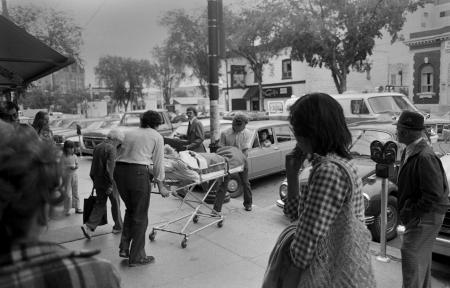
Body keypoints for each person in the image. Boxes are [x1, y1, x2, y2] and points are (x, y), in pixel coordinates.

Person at [265, 92, 375, 287]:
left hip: (325, 274)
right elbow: (295, 215)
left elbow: (302, 252)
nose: (295, 136)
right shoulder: (341, 163)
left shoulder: (328, 171)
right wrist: (292, 175)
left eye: (296, 129)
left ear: (309, 132)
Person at [0, 121, 121, 288]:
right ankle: (112, 225)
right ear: (45, 207)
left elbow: (94, 168)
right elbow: (109, 168)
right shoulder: (97, 274)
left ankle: (101, 226)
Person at [395, 111, 450, 288]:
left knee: (410, 254)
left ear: (407, 131)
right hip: (425, 215)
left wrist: (411, 213)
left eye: (399, 128)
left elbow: (434, 194)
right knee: (421, 257)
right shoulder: (411, 150)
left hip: (425, 217)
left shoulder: (425, 156)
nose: (396, 131)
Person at [114, 110, 171, 267]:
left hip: (119, 171)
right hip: (137, 174)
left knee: (131, 210)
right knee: (140, 216)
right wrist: (161, 185)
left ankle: (124, 248)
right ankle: (137, 256)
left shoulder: (129, 132)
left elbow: (120, 152)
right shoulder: (156, 136)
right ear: (157, 123)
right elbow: (158, 163)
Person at [81, 129, 125, 239]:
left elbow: (94, 166)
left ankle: (89, 227)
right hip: (109, 181)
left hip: (98, 180)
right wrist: (110, 184)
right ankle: (118, 226)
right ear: (115, 139)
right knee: (115, 203)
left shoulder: (98, 147)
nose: (118, 144)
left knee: (100, 204)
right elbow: (110, 168)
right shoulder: (111, 149)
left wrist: (94, 180)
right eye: (119, 142)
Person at [213, 113, 253, 212]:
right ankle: (216, 209)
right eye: (243, 126)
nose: (244, 128)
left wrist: (241, 162)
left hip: (242, 160)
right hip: (228, 161)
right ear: (235, 125)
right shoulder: (225, 133)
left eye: (245, 126)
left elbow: (245, 151)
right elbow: (221, 150)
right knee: (223, 185)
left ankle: (248, 204)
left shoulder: (247, 133)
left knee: (246, 183)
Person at [61, 140, 82, 215]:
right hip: (66, 176)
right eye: (70, 148)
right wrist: (69, 167)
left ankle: (77, 207)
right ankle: (66, 209)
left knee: (75, 192)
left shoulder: (74, 156)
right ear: (66, 148)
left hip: (74, 175)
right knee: (67, 193)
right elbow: (61, 166)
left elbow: (77, 165)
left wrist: (76, 166)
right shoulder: (63, 156)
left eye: (72, 148)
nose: (71, 149)